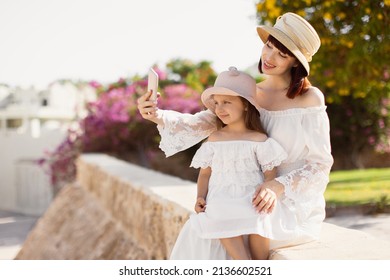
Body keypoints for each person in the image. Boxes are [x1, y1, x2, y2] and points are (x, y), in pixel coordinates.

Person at [137, 12, 334, 258]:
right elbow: (205, 121)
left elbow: (320, 164)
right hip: (247, 196)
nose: (269, 57)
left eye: (282, 54)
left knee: (225, 227)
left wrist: (276, 186)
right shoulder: (250, 93)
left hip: (288, 202)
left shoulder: (310, 98)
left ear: (296, 62)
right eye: (268, 46)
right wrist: (156, 115)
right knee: (203, 227)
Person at [169, 67, 287, 260]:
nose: (219, 109)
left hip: (251, 196)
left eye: (226, 102)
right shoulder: (215, 138)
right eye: (216, 103)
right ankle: (244, 263)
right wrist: (200, 197)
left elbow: (270, 174)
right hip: (221, 197)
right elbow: (205, 173)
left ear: (246, 105)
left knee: (259, 216)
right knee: (218, 212)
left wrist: (267, 193)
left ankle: (261, 264)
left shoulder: (258, 139)